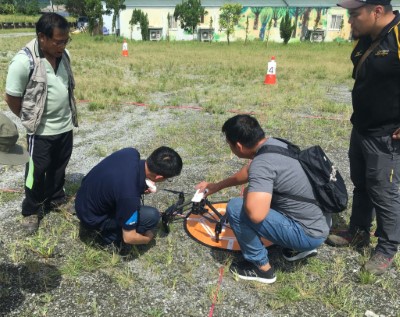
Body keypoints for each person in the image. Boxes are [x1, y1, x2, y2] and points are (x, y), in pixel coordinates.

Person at [196, 115, 331, 284]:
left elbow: (256, 215)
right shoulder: (275, 144)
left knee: (237, 208)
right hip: (321, 222)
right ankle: (297, 249)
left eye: (229, 144)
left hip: (308, 233)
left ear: (238, 145)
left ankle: (261, 268)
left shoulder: (262, 164)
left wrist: (249, 196)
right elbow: (248, 171)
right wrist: (217, 186)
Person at [326, 0, 400, 275]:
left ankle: (387, 247)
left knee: (384, 191)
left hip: (386, 134)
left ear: (377, 11)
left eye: (354, 15)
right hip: (362, 128)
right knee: (362, 185)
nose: (350, 21)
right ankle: (358, 231)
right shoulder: (369, 37)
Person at [4, 13, 78, 234]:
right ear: (42, 38)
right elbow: (12, 97)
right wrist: (30, 121)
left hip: (65, 126)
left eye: (66, 40)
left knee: (59, 168)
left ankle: (56, 199)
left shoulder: (64, 55)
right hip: (41, 131)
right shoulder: (23, 61)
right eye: (58, 41)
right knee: (35, 172)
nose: (63, 45)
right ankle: (31, 211)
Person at [75, 146, 182, 249]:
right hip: (91, 218)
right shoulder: (130, 196)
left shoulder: (130, 153)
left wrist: (139, 186)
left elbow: (121, 178)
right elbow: (129, 238)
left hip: (82, 199)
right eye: (168, 179)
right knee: (152, 216)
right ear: (159, 177)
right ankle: (108, 237)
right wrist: (149, 238)